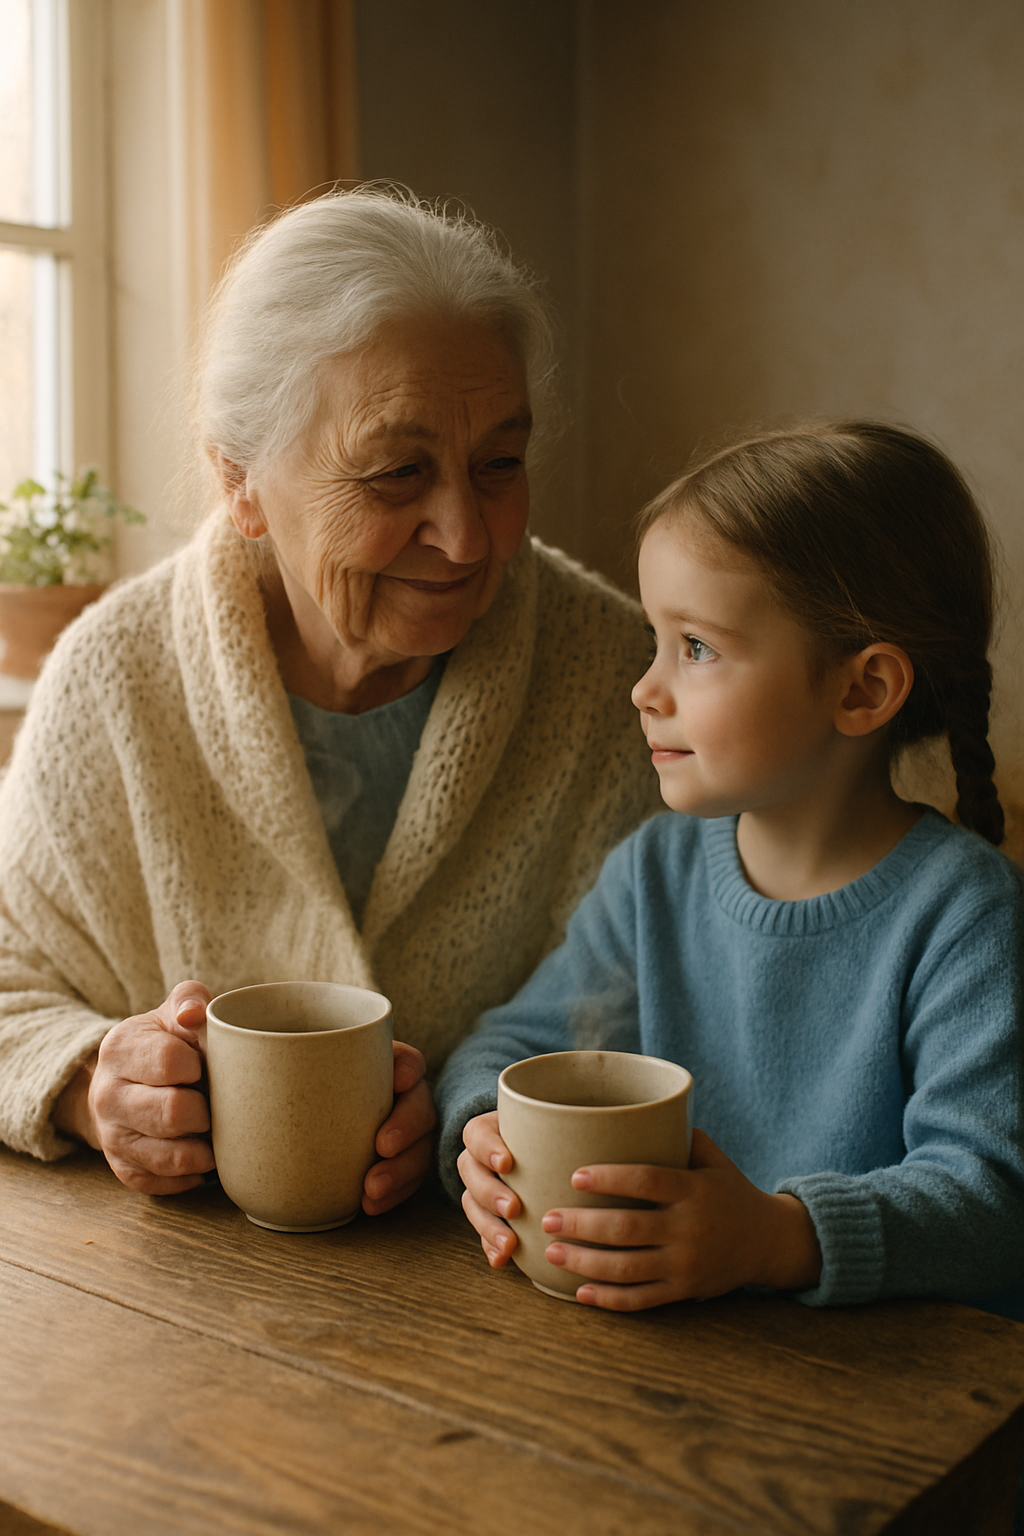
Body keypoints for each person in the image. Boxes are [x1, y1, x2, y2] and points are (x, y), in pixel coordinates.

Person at [0, 189, 660, 1209]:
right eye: (397, 472)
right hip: (171, 1300)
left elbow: (698, 1014)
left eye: (499, 465)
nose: (467, 536)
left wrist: (464, 1113)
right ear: (240, 481)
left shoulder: (618, 679)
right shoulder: (115, 681)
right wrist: (96, 1084)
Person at [438, 421, 1024, 1315]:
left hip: (901, 1408)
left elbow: (991, 1199)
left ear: (861, 690)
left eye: (697, 648)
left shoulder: (964, 914)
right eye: (654, 639)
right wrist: (482, 1129)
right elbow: (513, 1042)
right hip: (692, 1372)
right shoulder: (655, 875)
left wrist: (776, 1237)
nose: (645, 688)